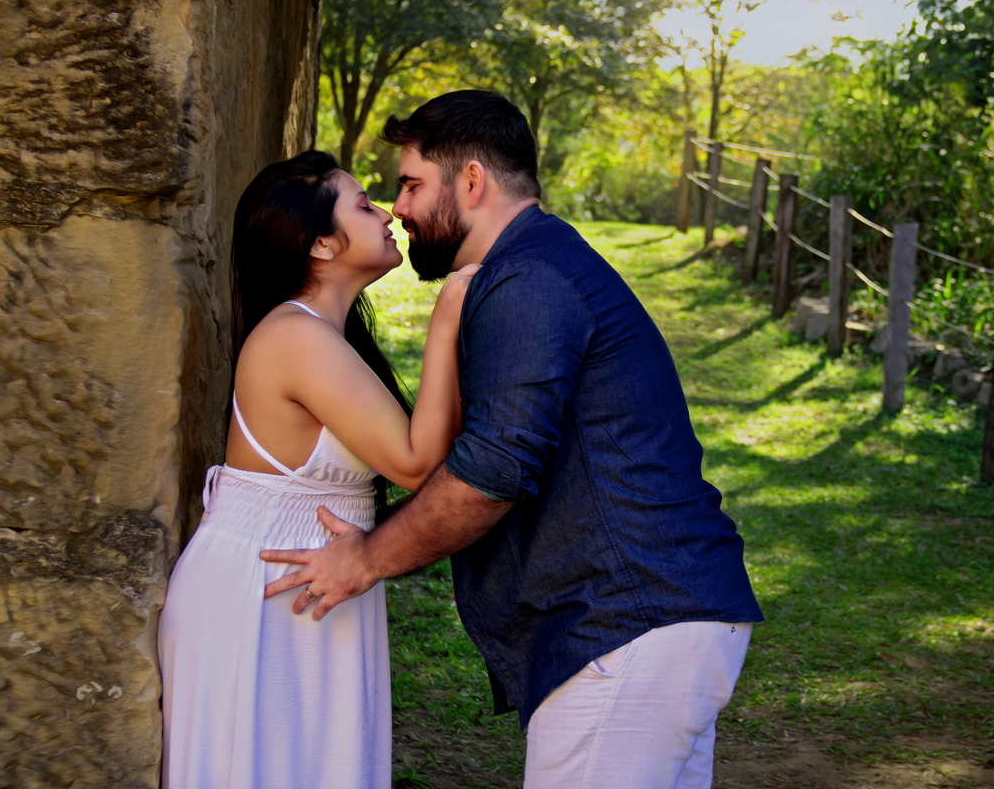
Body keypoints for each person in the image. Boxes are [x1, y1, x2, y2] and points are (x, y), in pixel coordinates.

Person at [261, 91, 763, 789]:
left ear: (471, 181)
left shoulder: (528, 279)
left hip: (627, 625)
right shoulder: (530, 267)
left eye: (411, 184)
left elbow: (491, 472)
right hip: (652, 623)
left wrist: (366, 558)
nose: (399, 208)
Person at [157, 150, 475, 789]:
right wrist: (448, 316)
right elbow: (416, 463)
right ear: (322, 245)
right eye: (363, 205)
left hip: (312, 583)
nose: (386, 213)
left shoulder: (325, 337)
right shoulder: (294, 336)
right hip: (262, 591)